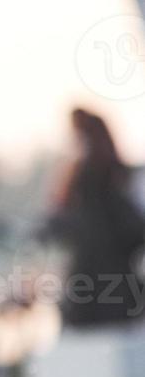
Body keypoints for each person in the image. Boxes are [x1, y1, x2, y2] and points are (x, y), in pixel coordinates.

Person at [43, 108, 145, 328]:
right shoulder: (119, 178)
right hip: (117, 289)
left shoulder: (82, 180)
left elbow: (60, 223)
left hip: (90, 287)